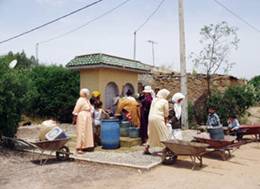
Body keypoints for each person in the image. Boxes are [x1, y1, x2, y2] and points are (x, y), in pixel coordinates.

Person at [144, 89, 171, 155]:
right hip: (158, 118)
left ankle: (147, 148)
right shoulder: (165, 101)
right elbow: (166, 114)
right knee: (164, 133)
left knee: (152, 133)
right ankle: (167, 148)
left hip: (150, 118)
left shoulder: (154, 100)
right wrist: (166, 122)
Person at [72, 88, 94, 154]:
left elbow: (90, 107)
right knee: (82, 131)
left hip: (87, 116)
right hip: (82, 116)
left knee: (87, 131)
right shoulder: (80, 100)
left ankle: (85, 146)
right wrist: (74, 119)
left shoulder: (86, 100)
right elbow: (76, 109)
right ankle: (79, 147)